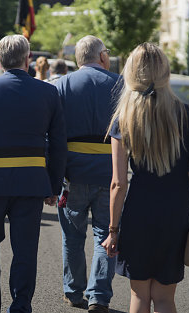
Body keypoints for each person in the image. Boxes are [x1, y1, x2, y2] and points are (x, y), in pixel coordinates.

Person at [102, 43, 189, 313]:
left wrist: (113, 229)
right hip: (177, 211)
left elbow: (118, 183)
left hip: (138, 212)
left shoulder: (124, 117)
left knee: (139, 296)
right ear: (165, 73)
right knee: (164, 297)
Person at [0, 35, 66, 313]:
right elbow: (58, 145)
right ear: (27, 59)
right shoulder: (48, 92)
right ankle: (20, 307)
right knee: (25, 250)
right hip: (32, 182)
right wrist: (53, 187)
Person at [55, 35, 119, 313]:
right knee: (107, 234)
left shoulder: (62, 85)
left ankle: (74, 290)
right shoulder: (121, 84)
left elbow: (53, 134)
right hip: (110, 171)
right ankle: (99, 296)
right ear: (102, 56)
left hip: (73, 172)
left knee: (72, 234)